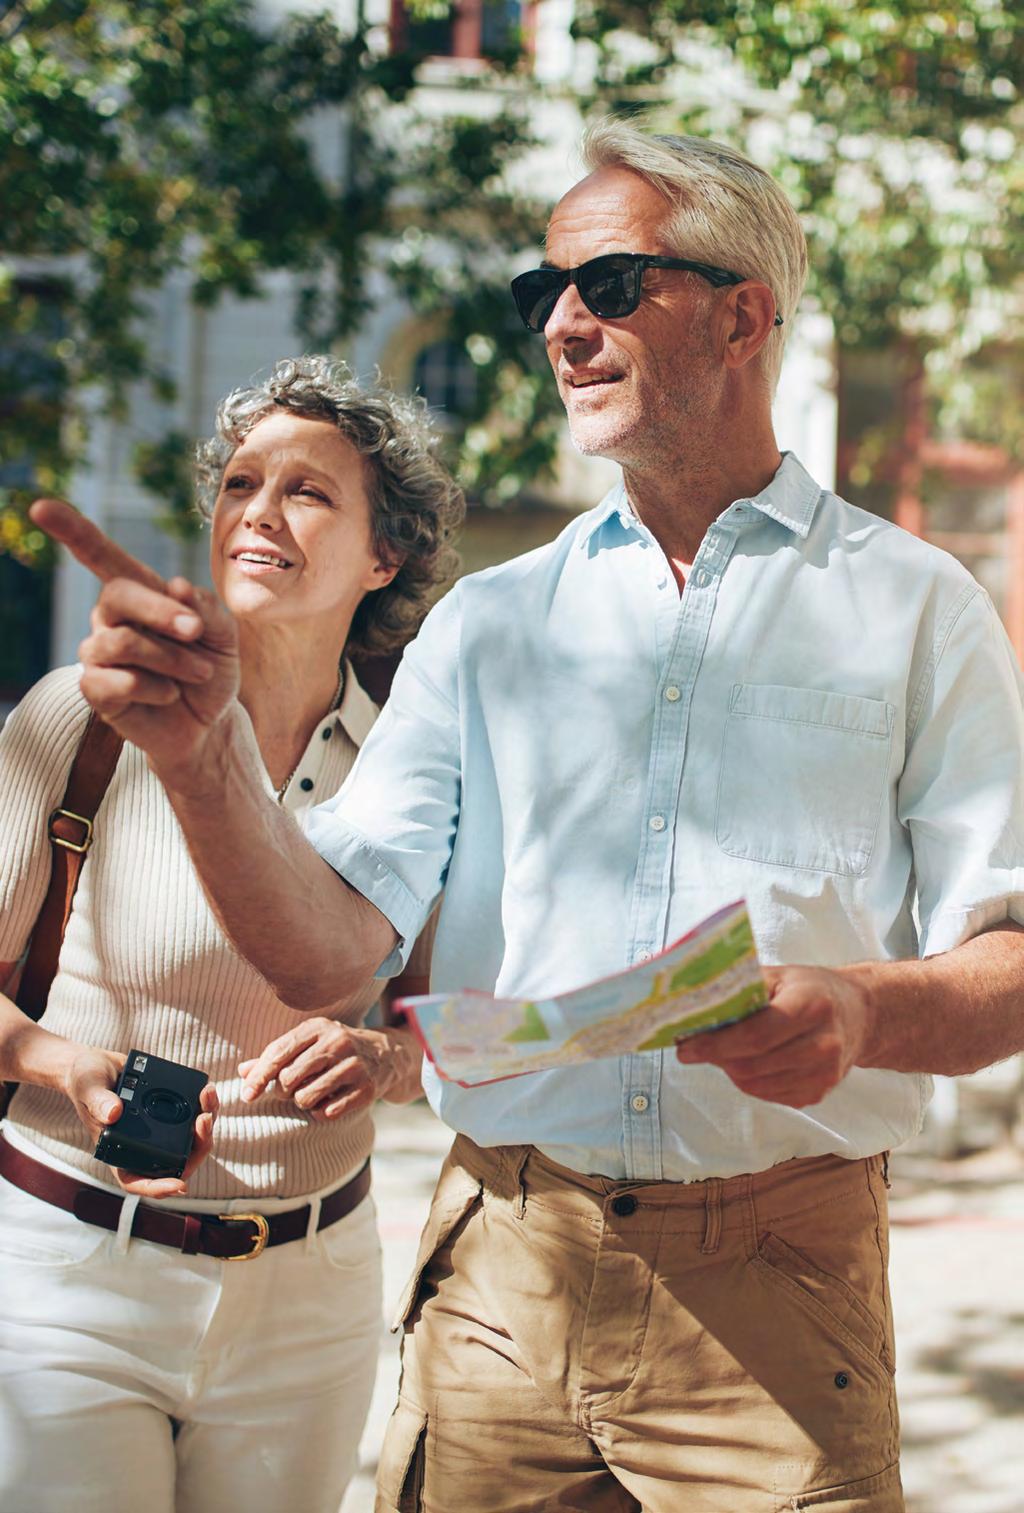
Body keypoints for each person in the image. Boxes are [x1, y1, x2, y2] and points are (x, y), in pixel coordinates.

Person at [32, 119, 1024, 1512]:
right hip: (501, 1272)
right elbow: (330, 958)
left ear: (743, 316)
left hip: (781, 1297)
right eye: (538, 295)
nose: (560, 324)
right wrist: (201, 760)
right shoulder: (488, 625)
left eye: (609, 284)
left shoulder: (919, 607)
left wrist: (860, 1008)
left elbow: (1010, 960)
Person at [0, 356, 463, 1513]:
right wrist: (61, 1062)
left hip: (310, 1295)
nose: (257, 510)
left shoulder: (421, 764)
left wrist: (390, 1058)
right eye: (241, 482)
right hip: (67, 1271)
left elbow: (452, 1017)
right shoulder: (87, 719)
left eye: (308, 491)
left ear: (383, 555)